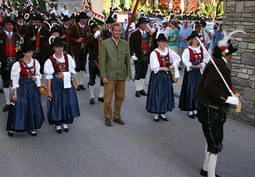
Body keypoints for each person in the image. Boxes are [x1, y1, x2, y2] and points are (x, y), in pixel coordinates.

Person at [194, 40, 240, 177]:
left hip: (209, 109)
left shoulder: (217, 63)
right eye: (230, 54)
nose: (231, 56)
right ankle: (211, 174)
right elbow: (209, 87)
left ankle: (205, 169)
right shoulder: (219, 66)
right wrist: (226, 99)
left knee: (211, 141)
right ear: (227, 55)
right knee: (215, 143)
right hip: (211, 111)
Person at [7, 43, 44, 137]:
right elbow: (14, 80)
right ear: (24, 53)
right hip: (22, 88)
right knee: (18, 106)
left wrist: (38, 81)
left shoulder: (36, 62)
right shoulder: (17, 64)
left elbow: (39, 74)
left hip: (32, 88)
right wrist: (14, 93)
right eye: (29, 51)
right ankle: (12, 127)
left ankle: (31, 127)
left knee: (32, 106)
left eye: (32, 51)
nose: (31, 53)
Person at [44, 37, 80, 133]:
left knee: (66, 102)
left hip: (67, 83)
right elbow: (49, 77)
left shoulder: (68, 58)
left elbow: (72, 71)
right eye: (57, 47)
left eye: (61, 47)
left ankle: (65, 121)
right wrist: (49, 90)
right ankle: (57, 123)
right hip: (56, 85)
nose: (59, 49)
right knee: (57, 103)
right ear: (53, 48)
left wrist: (65, 74)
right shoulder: (50, 60)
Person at [99, 23, 131, 127]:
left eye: (119, 31)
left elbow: (127, 60)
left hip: (121, 75)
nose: (117, 32)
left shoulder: (125, 44)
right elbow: (102, 61)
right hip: (109, 76)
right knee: (107, 99)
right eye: (115, 30)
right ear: (112, 31)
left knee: (120, 97)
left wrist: (129, 73)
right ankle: (108, 117)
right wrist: (103, 76)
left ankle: (116, 116)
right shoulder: (105, 43)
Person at [146, 33, 180, 121]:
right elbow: (154, 67)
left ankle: (162, 111)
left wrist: (173, 65)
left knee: (165, 93)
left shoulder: (168, 51)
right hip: (158, 76)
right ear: (158, 42)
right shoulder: (154, 53)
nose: (163, 43)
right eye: (161, 42)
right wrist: (163, 68)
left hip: (166, 76)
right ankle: (156, 112)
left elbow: (177, 58)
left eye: (164, 42)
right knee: (158, 93)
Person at [179, 32, 209, 118]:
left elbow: (207, 58)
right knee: (191, 89)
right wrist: (192, 65)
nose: (196, 40)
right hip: (191, 73)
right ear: (191, 40)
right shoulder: (187, 50)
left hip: (199, 72)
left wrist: (202, 64)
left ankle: (197, 107)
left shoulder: (202, 49)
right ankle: (190, 108)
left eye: (198, 39)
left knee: (198, 89)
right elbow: (185, 60)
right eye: (195, 39)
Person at [0, 18, 20, 112]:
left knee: (15, 81)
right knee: (6, 81)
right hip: (4, 62)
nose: (9, 26)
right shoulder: (0, 35)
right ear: (4, 25)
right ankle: (8, 103)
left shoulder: (17, 36)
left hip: (16, 62)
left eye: (11, 25)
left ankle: (14, 100)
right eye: (7, 24)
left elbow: (19, 49)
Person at [129, 17, 151, 97]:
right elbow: (131, 46)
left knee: (143, 73)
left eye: (146, 24)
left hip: (145, 56)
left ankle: (141, 89)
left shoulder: (148, 34)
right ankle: (137, 89)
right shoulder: (134, 34)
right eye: (144, 24)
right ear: (140, 25)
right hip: (138, 55)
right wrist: (132, 55)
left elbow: (150, 45)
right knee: (138, 73)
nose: (145, 25)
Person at [70, 12, 90, 90]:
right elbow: (70, 37)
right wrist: (77, 40)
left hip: (84, 49)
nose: (86, 20)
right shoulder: (74, 27)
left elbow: (89, 36)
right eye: (85, 19)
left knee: (83, 66)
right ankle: (77, 83)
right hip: (77, 49)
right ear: (81, 19)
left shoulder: (87, 27)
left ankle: (81, 83)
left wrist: (87, 40)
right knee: (77, 66)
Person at [87, 22, 104, 104]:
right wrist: (94, 37)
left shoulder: (103, 36)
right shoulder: (90, 37)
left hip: (102, 60)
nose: (96, 29)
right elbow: (88, 45)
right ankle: (92, 96)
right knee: (92, 79)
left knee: (103, 78)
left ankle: (101, 95)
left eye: (97, 28)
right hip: (93, 60)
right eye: (94, 28)